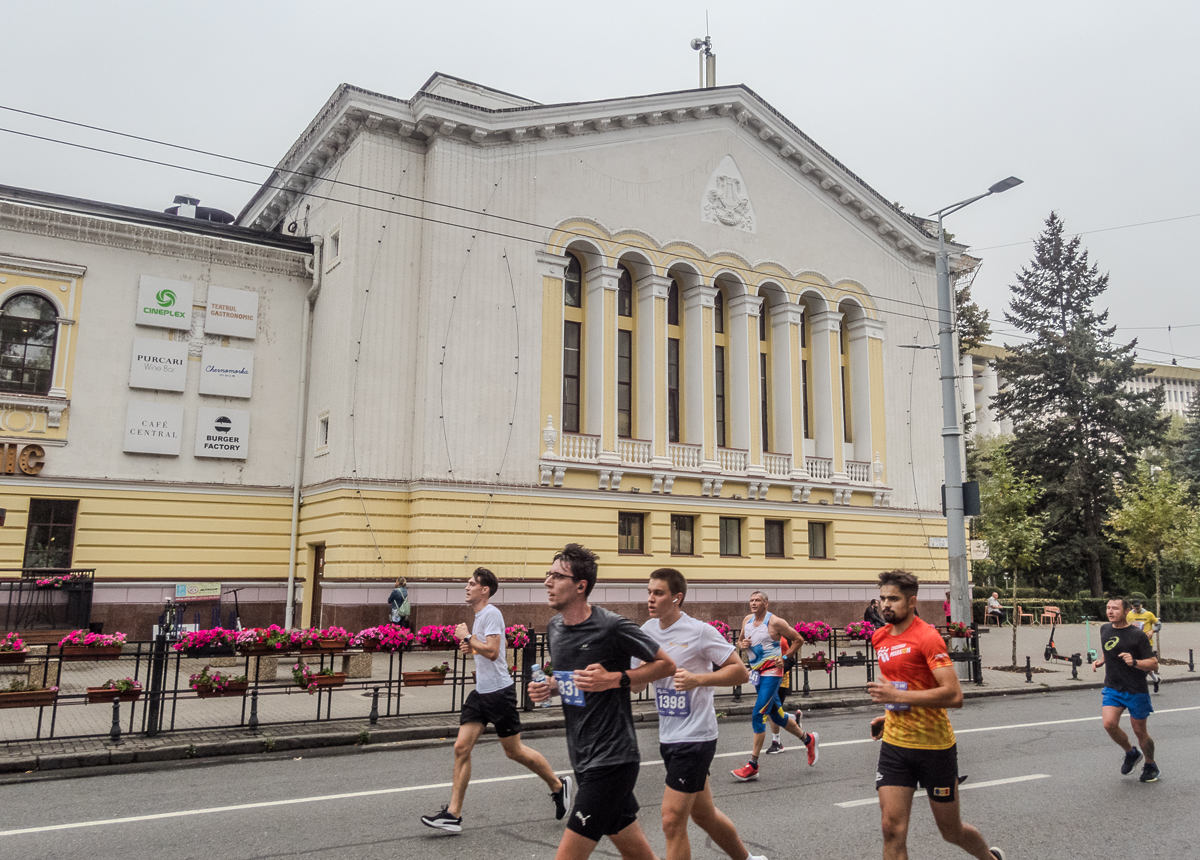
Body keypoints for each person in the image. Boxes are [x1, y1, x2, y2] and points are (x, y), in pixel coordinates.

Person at [528, 544, 676, 860]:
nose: (547, 582)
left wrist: (613, 678)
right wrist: (551, 687)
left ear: (581, 586)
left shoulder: (611, 626)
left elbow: (666, 665)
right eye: (548, 574)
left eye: (557, 576)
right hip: (582, 755)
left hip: (612, 758)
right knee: (636, 853)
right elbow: (576, 683)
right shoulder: (555, 628)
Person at [867, 570, 1005, 860]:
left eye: (893, 598)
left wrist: (897, 697)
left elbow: (954, 696)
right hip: (895, 746)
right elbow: (896, 686)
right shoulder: (879, 637)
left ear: (912, 601)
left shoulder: (927, 637)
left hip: (934, 748)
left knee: (951, 831)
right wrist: (888, 712)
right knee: (891, 829)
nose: (885, 604)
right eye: (882, 598)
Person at [421, 568, 571, 833]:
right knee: (460, 747)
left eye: (471, 584)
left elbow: (492, 651)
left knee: (514, 751)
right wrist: (470, 644)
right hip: (481, 692)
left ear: (484, 590)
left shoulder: (491, 613)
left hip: (500, 693)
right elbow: (484, 648)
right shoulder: (479, 616)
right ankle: (453, 814)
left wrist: (468, 637)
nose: (466, 587)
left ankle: (558, 785)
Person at [634, 569, 765, 860]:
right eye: (649, 592)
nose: (650, 599)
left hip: (696, 736)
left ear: (676, 598)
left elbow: (740, 672)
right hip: (668, 734)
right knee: (704, 815)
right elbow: (637, 686)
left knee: (671, 820)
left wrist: (697, 679)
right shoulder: (647, 632)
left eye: (658, 593)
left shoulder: (699, 631)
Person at [730, 591, 818, 780]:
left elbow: (798, 639)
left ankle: (752, 765)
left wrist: (784, 658)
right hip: (757, 672)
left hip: (772, 672)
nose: (753, 603)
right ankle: (808, 739)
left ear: (766, 603)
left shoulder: (775, 622)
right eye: (751, 600)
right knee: (776, 716)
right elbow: (740, 642)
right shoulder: (747, 620)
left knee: (759, 712)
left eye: (757, 600)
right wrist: (742, 644)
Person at [1093, 596, 1160, 782]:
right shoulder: (1104, 629)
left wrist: (1135, 662)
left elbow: (1154, 664)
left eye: (1115, 608)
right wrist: (1101, 660)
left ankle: (1150, 764)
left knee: (1140, 731)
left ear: (1125, 611)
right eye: (1108, 608)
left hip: (1135, 689)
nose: (1110, 611)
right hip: (1113, 687)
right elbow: (1109, 648)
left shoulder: (1137, 635)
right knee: (1109, 724)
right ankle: (1131, 753)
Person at [1126, 599, 1161, 685]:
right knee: (1137, 664)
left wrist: (1152, 631)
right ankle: (1156, 680)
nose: (1137, 608)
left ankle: (1139, 683)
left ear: (1141, 605)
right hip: (1133, 642)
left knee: (1145, 663)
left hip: (1147, 643)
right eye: (1135, 607)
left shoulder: (1148, 614)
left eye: (1138, 606)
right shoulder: (1129, 614)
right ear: (1132, 606)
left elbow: (1158, 624)